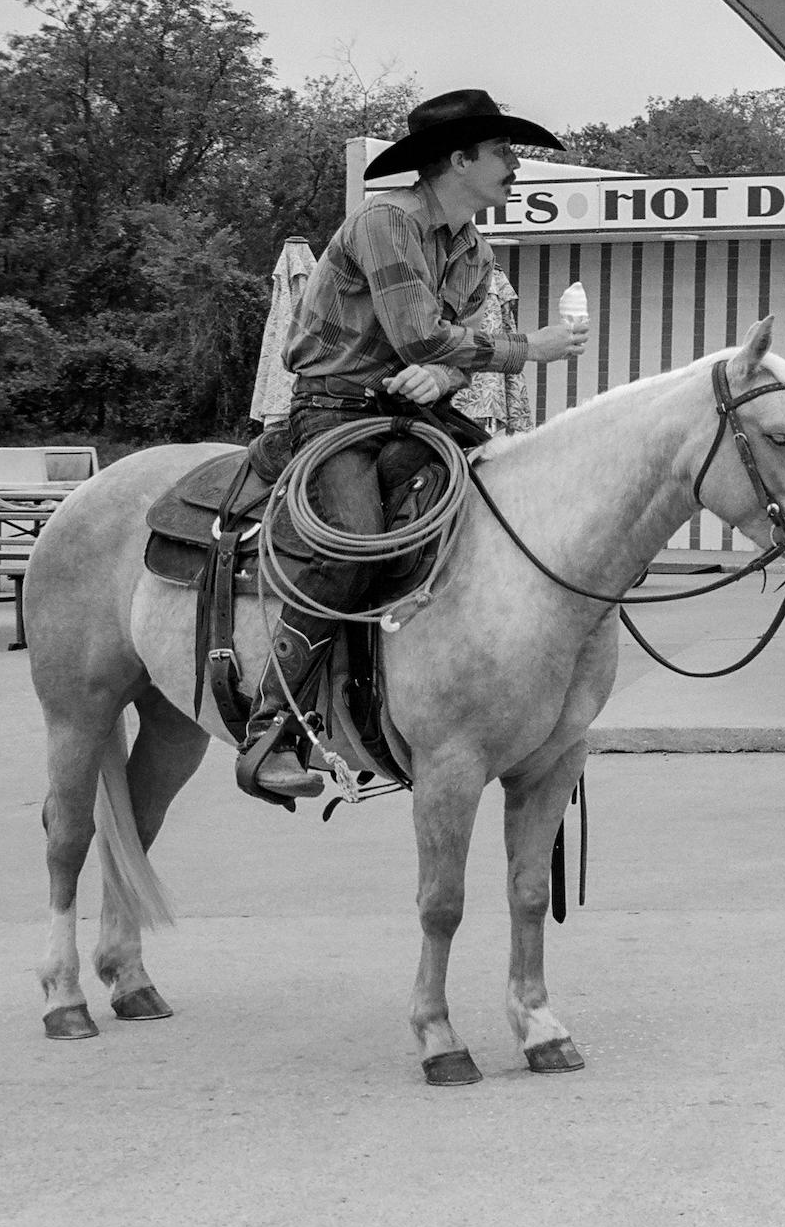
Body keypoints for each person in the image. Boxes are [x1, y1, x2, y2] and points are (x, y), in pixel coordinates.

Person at [240, 89, 591, 803]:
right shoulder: (385, 221)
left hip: (411, 409)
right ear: (458, 160)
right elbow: (423, 334)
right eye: (503, 152)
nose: (515, 166)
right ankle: (272, 726)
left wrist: (443, 373)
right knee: (356, 543)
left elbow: (444, 351)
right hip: (333, 412)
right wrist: (531, 348)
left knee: (509, 505)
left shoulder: (471, 247)